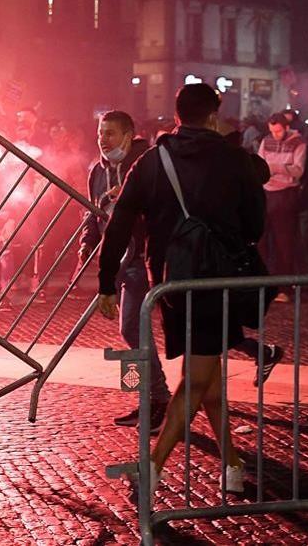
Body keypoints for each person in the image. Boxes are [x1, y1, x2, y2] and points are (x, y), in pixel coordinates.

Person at [96, 84, 267, 497]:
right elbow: (255, 226)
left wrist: (107, 281)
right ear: (213, 116)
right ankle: (152, 467)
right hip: (216, 279)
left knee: (207, 377)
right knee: (197, 379)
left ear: (176, 116)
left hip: (170, 281)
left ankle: (232, 464)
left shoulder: (153, 161)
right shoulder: (232, 158)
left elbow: (119, 221)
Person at [78, 111, 169, 432]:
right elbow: (92, 212)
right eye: (101, 133)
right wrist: (87, 243)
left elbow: (164, 206)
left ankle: (158, 400)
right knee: (129, 330)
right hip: (118, 260)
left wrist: (133, 199)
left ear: (129, 136)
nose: (103, 140)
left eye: (111, 134)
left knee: (134, 327)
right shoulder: (96, 172)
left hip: (143, 256)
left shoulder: (146, 165)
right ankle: (149, 400)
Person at [257, 113, 306, 302]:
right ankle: (263, 283)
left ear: (286, 127)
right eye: (272, 131)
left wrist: (275, 168)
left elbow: (298, 170)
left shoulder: (299, 143)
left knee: (283, 242)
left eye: (278, 131)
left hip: (286, 194)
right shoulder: (266, 141)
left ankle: (283, 287)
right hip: (267, 193)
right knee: (261, 240)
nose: (275, 135)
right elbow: (260, 164)